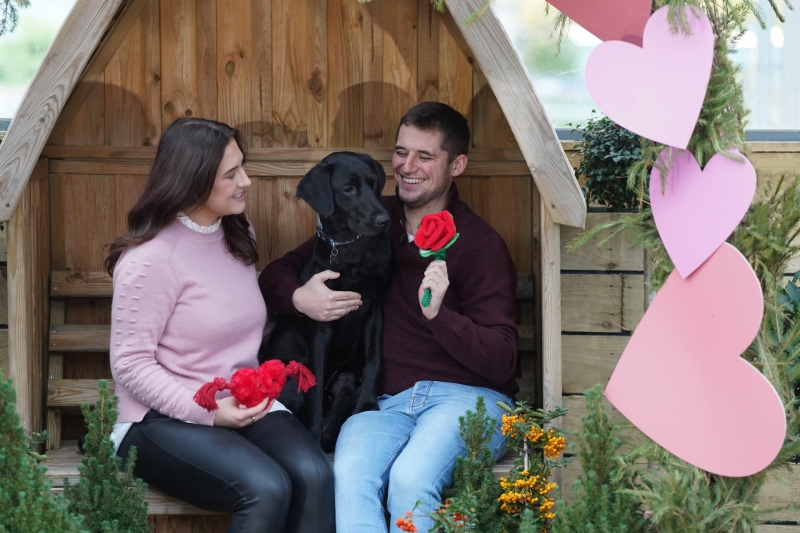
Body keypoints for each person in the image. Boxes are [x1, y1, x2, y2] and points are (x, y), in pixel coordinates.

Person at [260, 102, 519, 532]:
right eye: (401, 152)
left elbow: (502, 359)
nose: (407, 166)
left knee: (410, 479)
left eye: (425, 156)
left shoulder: (478, 244)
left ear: (457, 165)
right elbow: (278, 274)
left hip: (467, 401)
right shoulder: (368, 218)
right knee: (347, 479)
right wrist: (300, 298)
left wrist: (439, 316)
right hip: (387, 403)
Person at [106, 118, 335, 533]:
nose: (245, 180)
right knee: (266, 487)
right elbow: (129, 363)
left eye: (242, 167)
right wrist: (208, 412)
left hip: (241, 401)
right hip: (158, 420)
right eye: (231, 174)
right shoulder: (150, 259)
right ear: (192, 181)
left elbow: (241, 326)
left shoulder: (237, 233)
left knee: (314, 475)